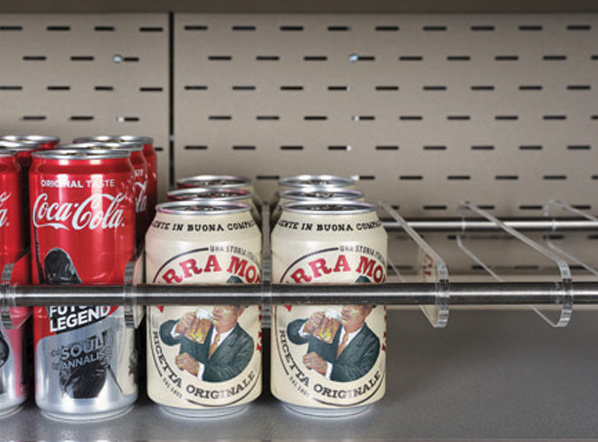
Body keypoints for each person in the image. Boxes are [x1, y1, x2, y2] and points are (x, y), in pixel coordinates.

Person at [160, 305, 253, 383]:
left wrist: (198, 369)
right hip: (182, 389)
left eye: (225, 305)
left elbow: (235, 374)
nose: (216, 309)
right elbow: (165, 332)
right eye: (216, 303)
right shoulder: (201, 323)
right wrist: (178, 328)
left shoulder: (245, 342)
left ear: (240, 311)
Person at [287, 305, 380, 382]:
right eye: (345, 302)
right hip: (308, 388)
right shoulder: (330, 322)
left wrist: (327, 368)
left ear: (367, 311)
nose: (345, 308)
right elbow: (292, 331)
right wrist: (306, 327)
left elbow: (362, 374)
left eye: (354, 305)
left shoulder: (371, 341)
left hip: (346, 395)